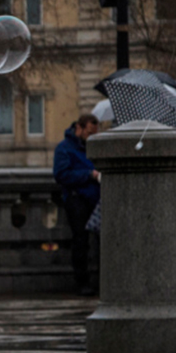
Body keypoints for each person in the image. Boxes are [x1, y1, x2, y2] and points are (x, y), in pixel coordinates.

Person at [53, 113, 101, 296]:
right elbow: (61, 175)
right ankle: (82, 282)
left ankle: (99, 280)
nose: (91, 137)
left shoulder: (93, 147)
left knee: (100, 242)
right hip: (77, 200)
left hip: (95, 200)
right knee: (80, 241)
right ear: (79, 128)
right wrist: (89, 175)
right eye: (89, 133)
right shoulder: (64, 149)